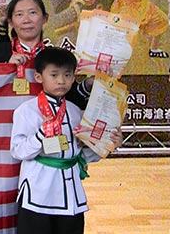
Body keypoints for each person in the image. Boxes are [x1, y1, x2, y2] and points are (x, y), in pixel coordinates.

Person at [10, 47, 122, 234]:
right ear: (39, 77)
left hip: (70, 193)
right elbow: (18, 151)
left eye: (67, 75)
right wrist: (41, 134)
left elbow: (80, 155)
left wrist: (107, 144)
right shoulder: (27, 111)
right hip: (38, 192)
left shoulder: (75, 111)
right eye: (54, 75)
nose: (61, 81)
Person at [0, 0, 91, 108]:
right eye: (19, 15)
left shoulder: (55, 57)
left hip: (47, 124)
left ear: (45, 18)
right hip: (4, 123)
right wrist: (5, 69)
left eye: (32, 13)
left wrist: (88, 84)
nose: (26, 20)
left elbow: (72, 99)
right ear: (11, 21)